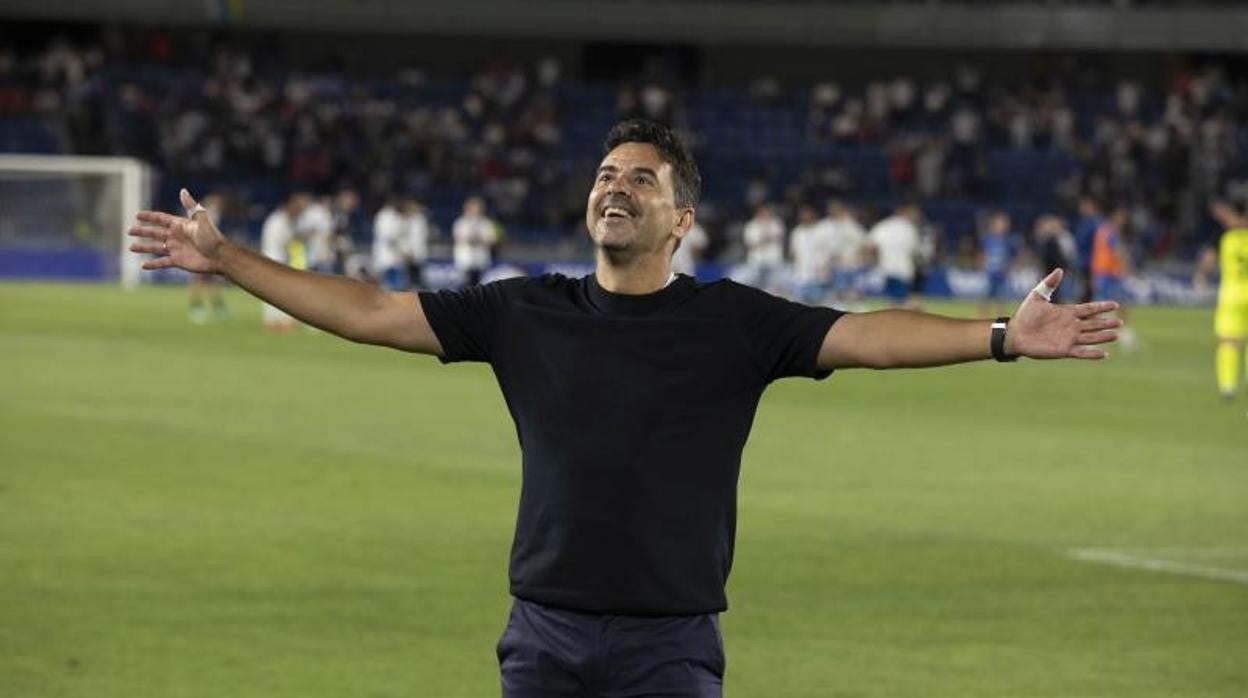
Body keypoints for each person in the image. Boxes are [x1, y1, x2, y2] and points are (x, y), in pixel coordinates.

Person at [129, 119, 1120, 698]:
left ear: (681, 219)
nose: (616, 188)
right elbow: (373, 310)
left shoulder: (736, 322)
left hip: (669, 642)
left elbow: (865, 333)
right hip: (544, 635)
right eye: (607, 175)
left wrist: (1002, 333)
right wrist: (226, 258)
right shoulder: (523, 311)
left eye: (640, 180)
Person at [1208, 201, 1248, 401]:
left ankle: (1228, 386)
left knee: (1228, 341)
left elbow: (1207, 261)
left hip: (1232, 295)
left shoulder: (1224, 236)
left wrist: (1202, 276)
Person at [258, 192, 309, 332]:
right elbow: (284, 242)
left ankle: (281, 322)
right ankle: (274, 322)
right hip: (273, 260)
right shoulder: (278, 220)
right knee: (273, 293)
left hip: (279, 260)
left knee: (280, 293)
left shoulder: (287, 220)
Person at [1091, 203, 1138, 350]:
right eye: (1121, 216)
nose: (1123, 219)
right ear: (1115, 216)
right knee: (1109, 305)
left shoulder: (1103, 230)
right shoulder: (1110, 232)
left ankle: (1123, 335)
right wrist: (1129, 267)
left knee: (1118, 304)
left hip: (1106, 273)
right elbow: (1118, 252)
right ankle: (1097, 339)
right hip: (1108, 274)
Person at [867, 201, 923, 308]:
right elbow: (916, 252)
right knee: (904, 302)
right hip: (903, 270)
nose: (916, 217)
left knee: (893, 301)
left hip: (886, 268)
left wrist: (875, 260)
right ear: (906, 213)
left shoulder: (883, 225)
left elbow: (869, 246)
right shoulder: (909, 228)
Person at [187, 192, 230, 324]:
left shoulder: (212, 214)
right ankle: (197, 307)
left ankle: (214, 306)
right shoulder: (207, 214)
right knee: (200, 278)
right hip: (201, 249)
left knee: (212, 279)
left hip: (208, 249)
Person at [820, 200, 866, 306]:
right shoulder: (826, 226)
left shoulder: (852, 226)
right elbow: (822, 249)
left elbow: (862, 244)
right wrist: (824, 262)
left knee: (849, 294)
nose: (833, 212)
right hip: (833, 266)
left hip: (849, 265)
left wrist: (856, 259)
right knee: (834, 295)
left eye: (836, 209)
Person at [978, 211, 1019, 318]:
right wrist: (983, 265)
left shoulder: (1008, 240)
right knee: (987, 295)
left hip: (1002, 273)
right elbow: (983, 254)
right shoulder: (987, 239)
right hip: (991, 272)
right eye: (999, 224)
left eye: (1004, 225)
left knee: (1002, 297)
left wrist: (1010, 268)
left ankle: (1001, 316)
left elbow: (1012, 256)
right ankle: (982, 315)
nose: (1002, 227)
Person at [789, 202, 831, 304]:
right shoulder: (797, 232)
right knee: (800, 305)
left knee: (819, 304)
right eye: (802, 214)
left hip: (818, 273)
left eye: (807, 214)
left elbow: (828, 251)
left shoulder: (822, 231)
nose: (804, 216)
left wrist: (825, 266)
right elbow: (794, 253)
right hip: (801, 274)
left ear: (813, 214)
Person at [452, 196, 499, 287]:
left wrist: (479, 239)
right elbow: (459, 238)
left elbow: (493, 239)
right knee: (464, 286)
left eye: (479, 207)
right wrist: (474, 239)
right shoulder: (461, 222)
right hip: (465, 259)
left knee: (478, 286)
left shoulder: (486, 223)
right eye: (475, 207)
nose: (477, 209)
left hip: (480, 259)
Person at [742, 203, 785, 291]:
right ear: (757, 213)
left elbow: (778, 237)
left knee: (774, 287)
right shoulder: (751, 225)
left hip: (773, 258)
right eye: (762, 212)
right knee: (755, 286)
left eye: (766, 212)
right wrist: (766, 239)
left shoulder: (776, 223)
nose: (764, 214)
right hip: (757, 259)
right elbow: (750, 244)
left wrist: (762, 240)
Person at [1033, 215, 1076, 304]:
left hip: (1058, 270)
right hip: (1052, 270)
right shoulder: (1047, 239)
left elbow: (1064, 256)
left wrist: (1064, 267)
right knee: (1052, 293)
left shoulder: (1058, 239)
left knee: (1058, 293)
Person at [371, 196, 408, 290]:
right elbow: (389, 238)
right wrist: (401, 251)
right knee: (389, 288)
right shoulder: (386, 216)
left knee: (392, 286)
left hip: (389, 256)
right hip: (388, 255)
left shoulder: (390, 215)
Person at [403, 198, 432, 290]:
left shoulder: (421, 219)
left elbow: (422, 237)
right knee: (409, 279)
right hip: (408, 253)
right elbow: (405, 237)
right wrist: (407, 251)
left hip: (419, 252)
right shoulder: (406, 220)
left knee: (419, 278)